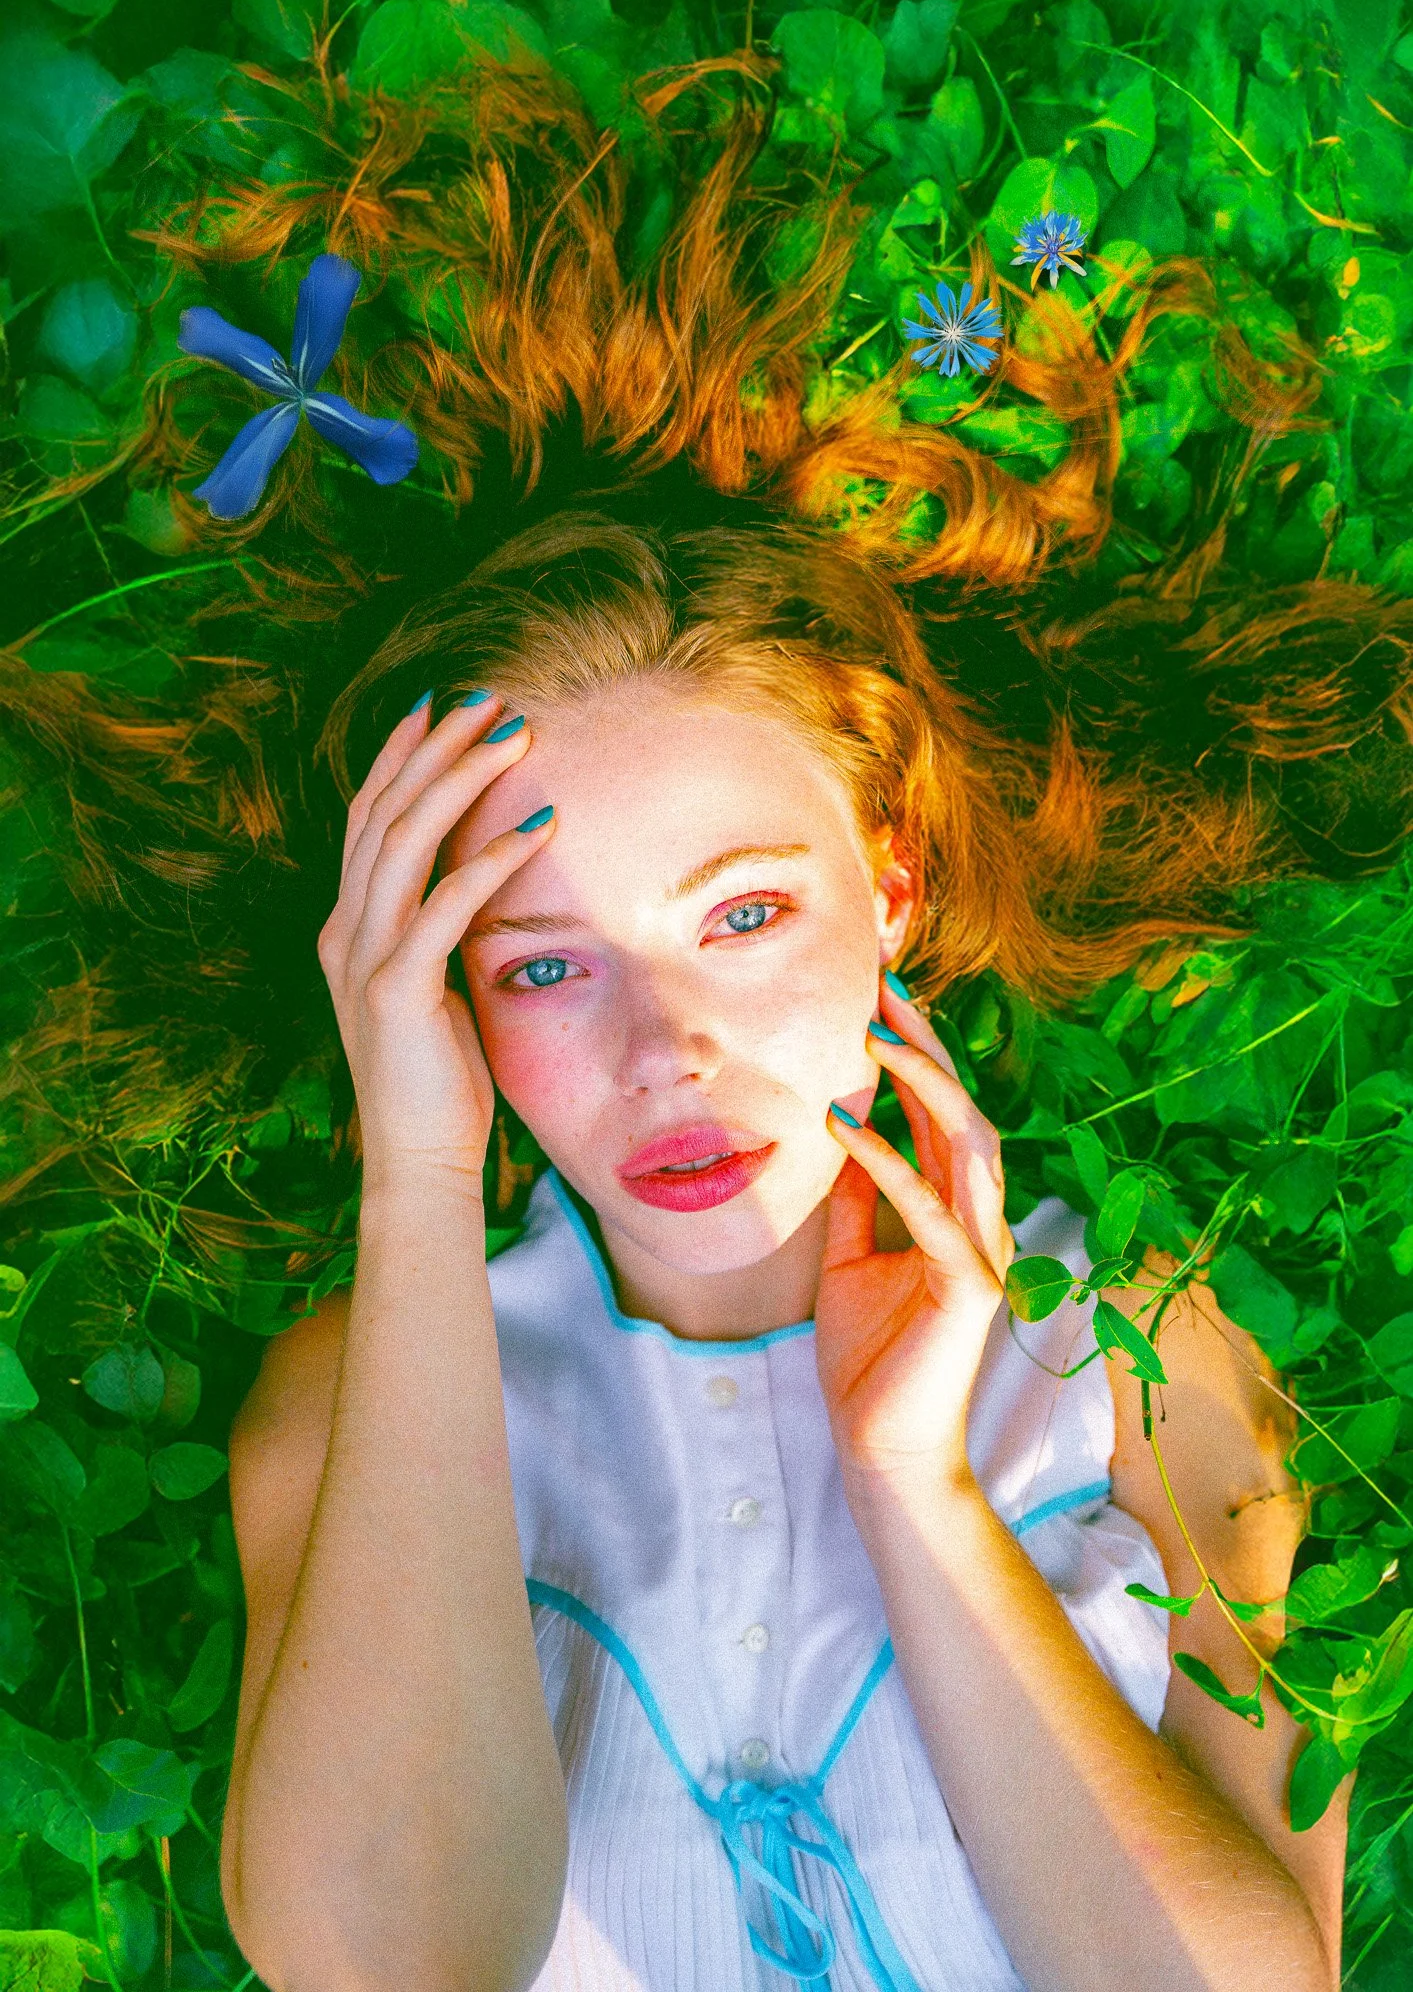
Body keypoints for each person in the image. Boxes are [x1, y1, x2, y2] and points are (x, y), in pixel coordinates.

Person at [217, 507, 1346, 1992]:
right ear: (437, 997)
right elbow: (390, 1961)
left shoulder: (1135, 1353)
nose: (664, 1051)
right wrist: (418, 1173)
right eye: (543, 964)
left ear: (890, 890)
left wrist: (916, 1487)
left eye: (742, 914)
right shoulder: (350, 1400)